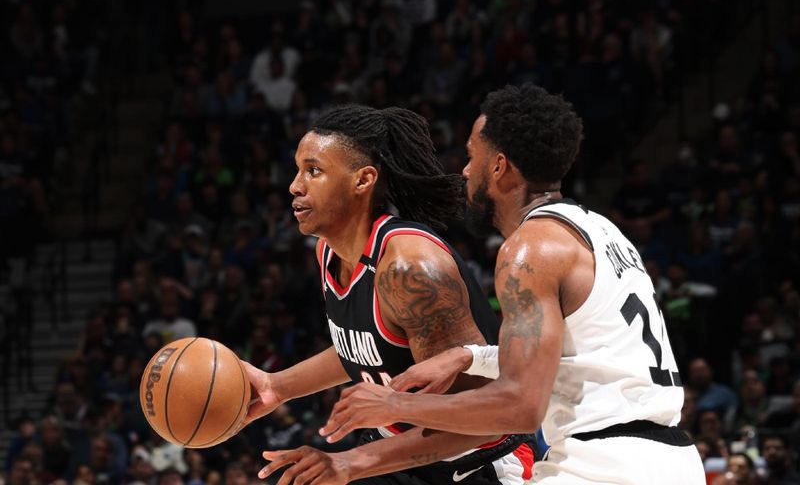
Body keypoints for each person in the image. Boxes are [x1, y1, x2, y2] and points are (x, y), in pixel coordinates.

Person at [318, 84, 705, 484]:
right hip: (670, 459)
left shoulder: (528, 250)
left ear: (499, 166)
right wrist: (471, 356)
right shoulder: (601, 231)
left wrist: (395, 405)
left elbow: (520, 407)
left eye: (472, 157)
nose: (466, 170)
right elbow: (585, 350)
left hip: (601, 464)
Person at [242, 105, 536, 484]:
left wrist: (350, 462)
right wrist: (276, 387)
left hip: (475, 461)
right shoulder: (330, 252)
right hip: (400, 453)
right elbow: (371, 345)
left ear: (362, 180)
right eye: (298, 170)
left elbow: (484, 421)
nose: (295, 186)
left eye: (313, 171)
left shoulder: (411, 268)